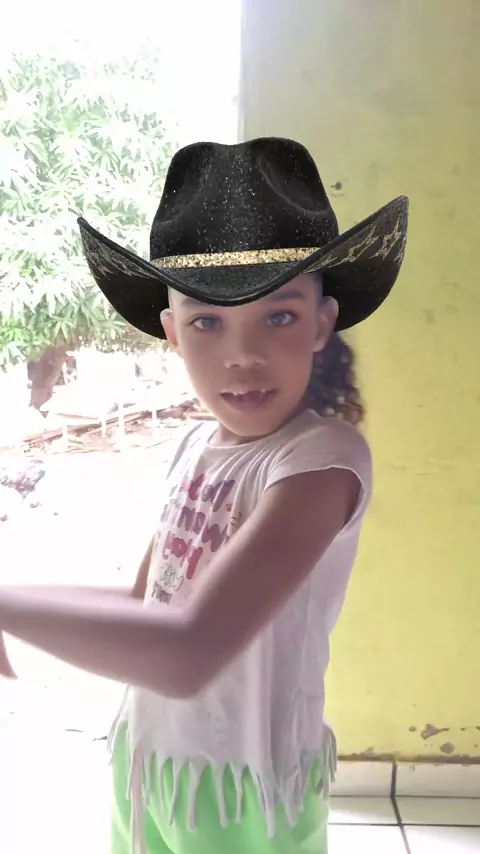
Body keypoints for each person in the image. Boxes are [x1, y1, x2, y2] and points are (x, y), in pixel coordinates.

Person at [0, 138, 408, 854]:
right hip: (150, 763)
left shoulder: (320, 464)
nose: (241, 356)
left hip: (244, 794)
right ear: (171, 332)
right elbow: (147, 604)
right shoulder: (194, 445)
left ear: (322, 322)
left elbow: (188, 653)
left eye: (278, 317)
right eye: (206, 322)